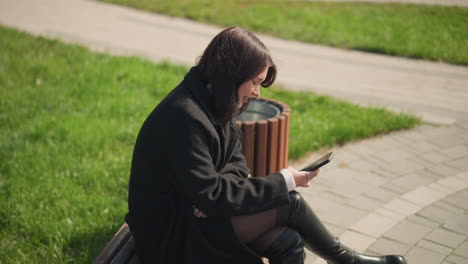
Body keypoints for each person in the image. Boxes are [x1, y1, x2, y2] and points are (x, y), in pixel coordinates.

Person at [125, 26, 407, 264]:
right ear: (231, 75)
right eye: (255, 82)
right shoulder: (184, 115)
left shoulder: (213, 102)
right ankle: (351, 261)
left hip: (199, 219)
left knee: (289, 242)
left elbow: (236, 166)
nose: (257, 92)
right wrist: (284, 179)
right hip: (171, 236)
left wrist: (209, 198)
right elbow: (212, 194)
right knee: (290, 201)